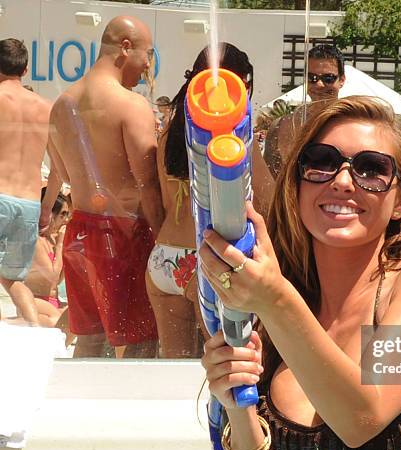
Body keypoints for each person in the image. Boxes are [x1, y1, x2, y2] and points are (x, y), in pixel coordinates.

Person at [201, 96, 401, 450]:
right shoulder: (288, 311)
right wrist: (237, 408)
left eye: (372, 169)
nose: (343, 181)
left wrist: (275, 299)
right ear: (300, 183)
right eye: (322, 162)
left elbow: (364, 418)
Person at [43, 16, 163, 357]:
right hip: (125, 234)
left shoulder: (62, 104)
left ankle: (77, 407)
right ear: (125, 47)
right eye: (148, 54)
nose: (148, 66)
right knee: (141, 341)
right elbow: (149, 186)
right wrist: (164, 238)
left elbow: (64, 174)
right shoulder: (131, 105)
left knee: (90, 340)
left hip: (80, 231)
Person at [146, 43, 273, 358]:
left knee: (173, 366)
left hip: (164, 259)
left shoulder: (168, 133)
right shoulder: (234, 139)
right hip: (208, 259)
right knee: (225, 367)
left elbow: (163, 201)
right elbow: (268, 199)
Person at [0, 38, 51, 325]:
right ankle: (32, 327)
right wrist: (46, 206)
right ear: (26, 69)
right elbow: (59, 165)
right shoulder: (46, 107)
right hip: (30, 202)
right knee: (13, 278)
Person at [263, 44, 345, 179]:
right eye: (312, 78)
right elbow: (270, 183)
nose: (319, 84)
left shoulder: (352, 125)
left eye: (328, 78)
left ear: (342, 80)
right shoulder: (282, 127)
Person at [24, 190, 71, 338]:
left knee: (77, 317)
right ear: (50, 214)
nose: (66, 219)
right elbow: (52, 276)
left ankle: (59, 350)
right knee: (57, 322)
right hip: (35, 300)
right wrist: (61, 245)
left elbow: (60, 279)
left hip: (53, 301)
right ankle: (9, 322)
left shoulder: (52, 240)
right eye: (63, 214)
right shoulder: (36, 241)